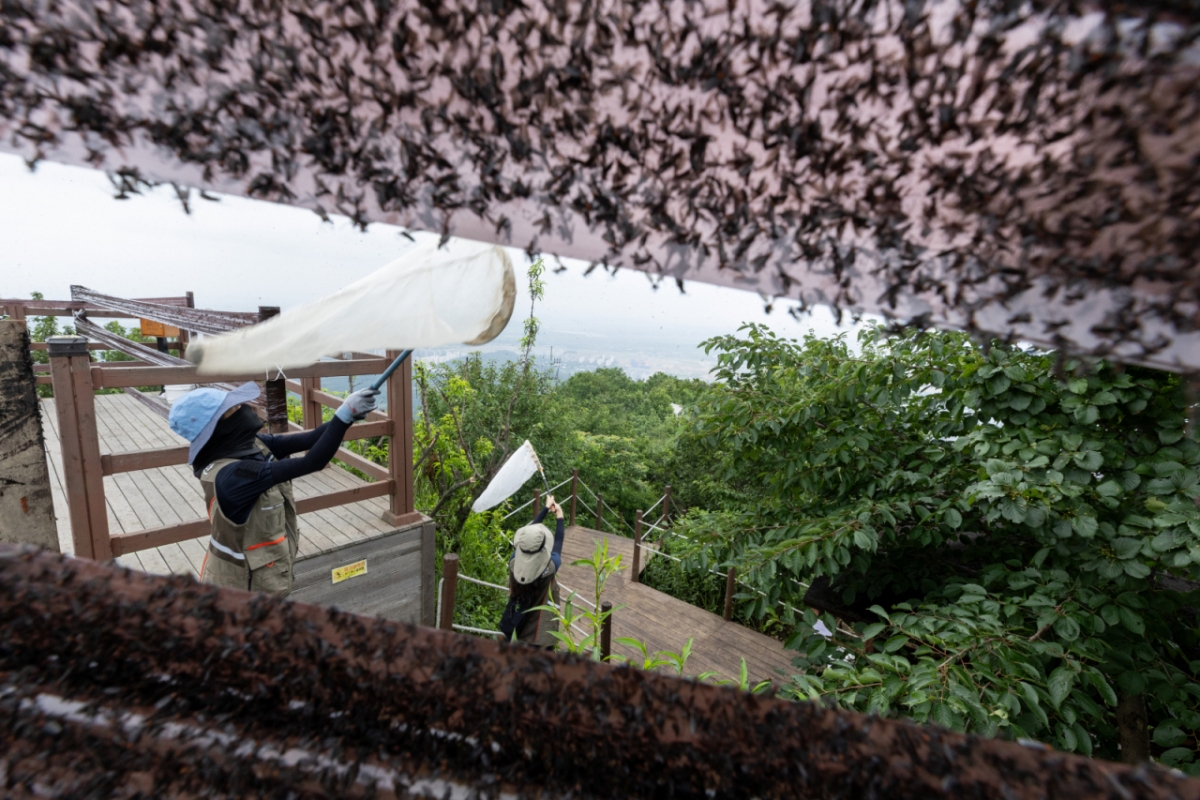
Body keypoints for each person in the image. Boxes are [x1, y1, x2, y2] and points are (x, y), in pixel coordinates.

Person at [167, 381, 379, 596]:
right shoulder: (233, 476)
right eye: (234, 408)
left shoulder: (250, 444)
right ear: (217, 426)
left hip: (258, 577)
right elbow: (311, 462)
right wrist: (344, 416)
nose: (243, 407)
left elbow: (311, 439)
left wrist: (346, 417)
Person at [499, 494, 566, 647]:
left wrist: (544, 509)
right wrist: (559, 516)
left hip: (516, 625)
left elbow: (527, 536)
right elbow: (558, 543)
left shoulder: (514, 562)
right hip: (539, 635)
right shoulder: (550, 568)